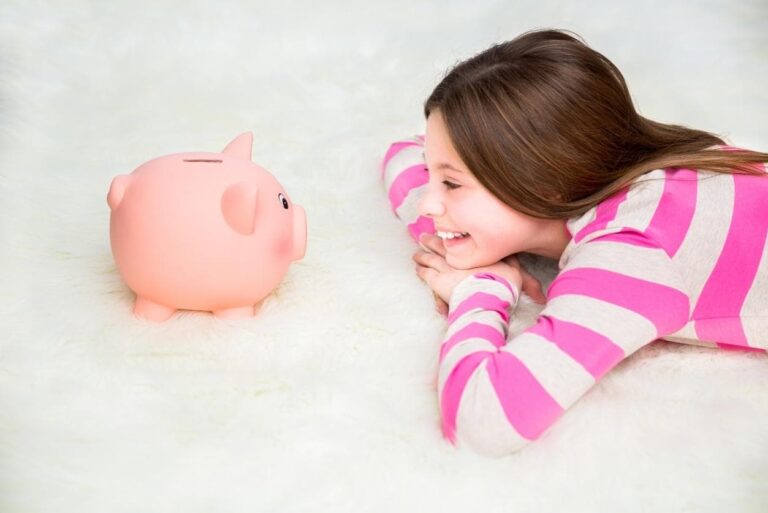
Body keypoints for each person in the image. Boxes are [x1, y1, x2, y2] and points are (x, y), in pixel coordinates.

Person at [380, 29, 768, 456]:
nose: (428, 204)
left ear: (546, 183)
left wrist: (480, 288)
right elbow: (402, 150)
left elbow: (484, 420)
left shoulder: (634, 250)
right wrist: (465, 238)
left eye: (452, 184)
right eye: (432, 173)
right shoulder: (634, 163)